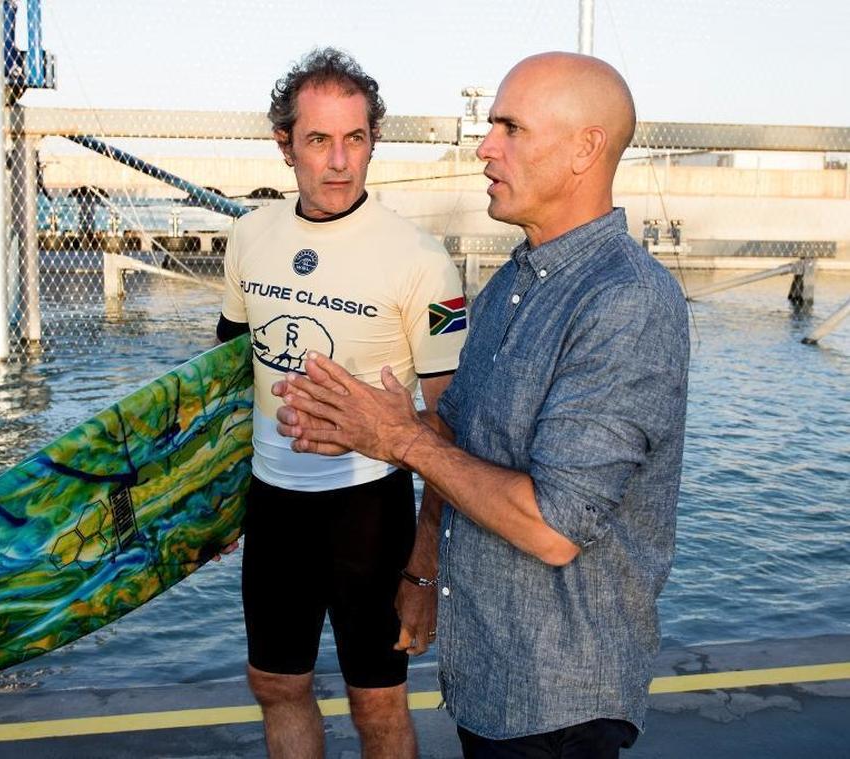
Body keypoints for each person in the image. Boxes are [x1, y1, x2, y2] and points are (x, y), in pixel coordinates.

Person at [274, 51, 690, 758]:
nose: (484, 146)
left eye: (510, 127)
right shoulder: (512, 283)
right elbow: (455, 434)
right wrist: (418, 561)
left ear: (585, 149)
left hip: (561, 702)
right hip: (488, 675)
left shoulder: (627, 301)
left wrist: (399, 440)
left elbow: (555, 525)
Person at [217, 47, 467, 758]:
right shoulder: (249, 235)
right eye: (318, 140)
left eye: (354, 139)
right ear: (284, 146)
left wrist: (423, 567)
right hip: (272, 510)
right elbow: (232, 382)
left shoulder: (426, 262)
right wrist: (216, 498)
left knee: (379, 706)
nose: (338, 161)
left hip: (369, 515)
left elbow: (453, 429)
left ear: (372, 143)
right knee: (276, 686)